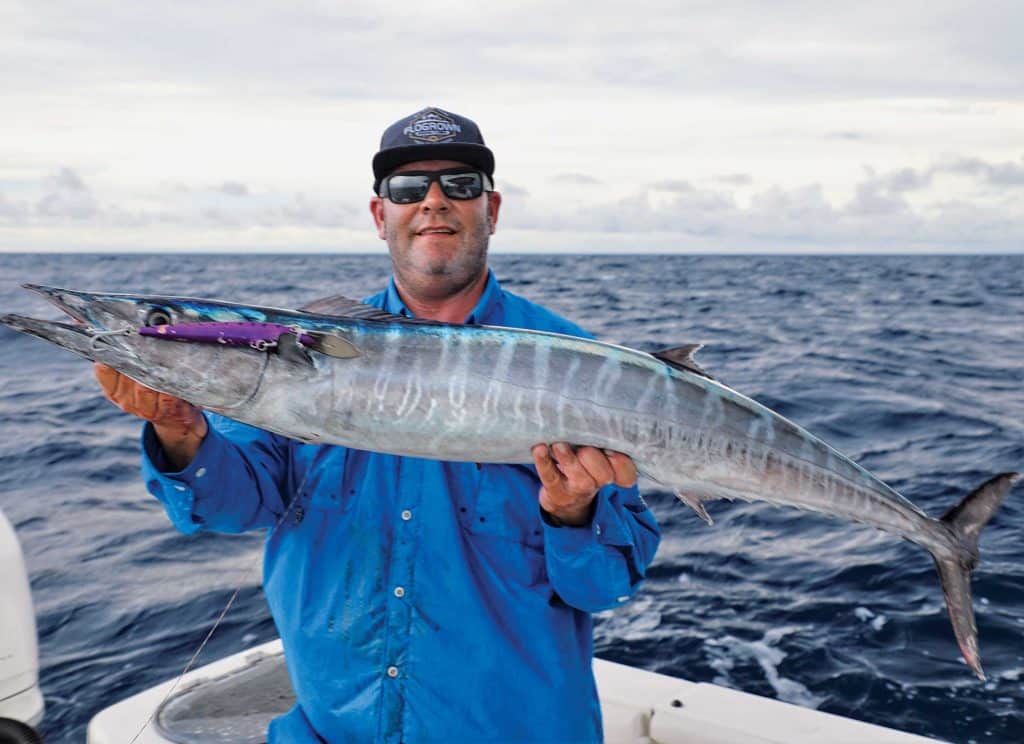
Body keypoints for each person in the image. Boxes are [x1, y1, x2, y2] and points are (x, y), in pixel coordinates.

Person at [95, 107, 661, 743]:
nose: (434, 202)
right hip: (329, 729)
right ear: (379, 215)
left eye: (461, 184)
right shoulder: (302, 350)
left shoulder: (575, 363)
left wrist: (573, 513)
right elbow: (234, 507)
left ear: (492, 210)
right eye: (407, 189)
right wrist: (180, 431)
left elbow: (604, 585)